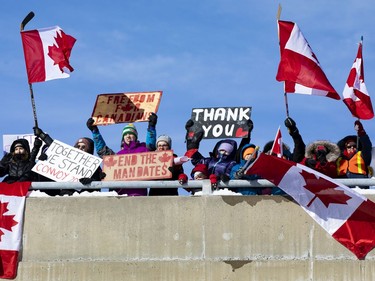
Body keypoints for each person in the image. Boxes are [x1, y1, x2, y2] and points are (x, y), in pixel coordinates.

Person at [86, 116, 155, 196]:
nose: (128, 136)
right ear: (123, 137)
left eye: (131, 134)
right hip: (120, 196)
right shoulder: (119, 155)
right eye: (126, 134)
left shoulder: (143, 150)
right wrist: (95, 131)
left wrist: (151, 126)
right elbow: (103, 151)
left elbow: (151, 147)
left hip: (138, 195)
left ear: (135, 137)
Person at [33, 127, 105, 195]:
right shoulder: (66, 160)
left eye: (83, 147)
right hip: (62, 197)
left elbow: (98, 186)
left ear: (89, 150)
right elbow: (56, 148)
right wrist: (42, 135)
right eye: (78, 146)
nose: (80, 149)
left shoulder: (95, 167)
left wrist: (90, 182)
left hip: (82, 200)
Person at [184, 119, 237, 189]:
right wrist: (191, 138)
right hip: (205, 188)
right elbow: (195, 159)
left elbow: (231, 173)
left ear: (231, 153)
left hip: (221, 189)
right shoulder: (209, 161)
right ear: (218, 150)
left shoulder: (231, 163)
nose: (223, 152)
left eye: (226, 151)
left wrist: (223, 177)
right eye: (221, 150)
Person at [336, 120, 373, 188]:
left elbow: (367, 146)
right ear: (345, 148)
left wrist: (361, 133)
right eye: (349, 146)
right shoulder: (338, 159)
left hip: (360, 189)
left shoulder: (362, 155)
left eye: (354, 146)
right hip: (343, 191)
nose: (352, 148)